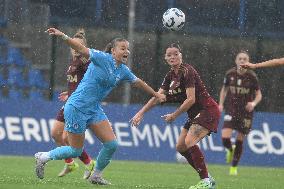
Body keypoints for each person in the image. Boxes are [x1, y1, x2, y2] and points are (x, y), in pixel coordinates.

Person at [35, 27, 166, 185]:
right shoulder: (101, 58)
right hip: (77, 107)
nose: (127, 51)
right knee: (75, 150)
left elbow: (138, 83)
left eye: (128, 49)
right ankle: (43, 157)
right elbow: (80, 48)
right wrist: (63, 36)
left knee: (111, 144)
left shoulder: (123, 70)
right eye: (123, 48)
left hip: (94, 109)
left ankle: (95, 176)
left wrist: (155, 94)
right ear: (113, 50)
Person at [130, 43, 220, 189]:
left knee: (190, 141)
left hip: (207, 110)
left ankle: (206, 181)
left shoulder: (187, 71)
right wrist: (141, 113)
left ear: (181, 55)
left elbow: (191, 99)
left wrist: (174, 115)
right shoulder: (170, 76)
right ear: (165, 58)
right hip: (194, 114)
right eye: (169, 55)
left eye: (175, 53)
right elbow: (157, 97)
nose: (173, 57)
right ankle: (208, 177)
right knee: (181, 147)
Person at [51, 29, 94, 179]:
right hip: (70, 101)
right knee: (56, 134)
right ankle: (70, 164)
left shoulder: (85, 62)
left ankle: (90, 164)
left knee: (67, 139)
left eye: (78, 45)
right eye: (73, 45)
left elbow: (90, 82)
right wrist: (68, 92)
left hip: (78, 105)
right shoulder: (73, 62)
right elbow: (77, 82)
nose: (75, 48)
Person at [219, 51, 262, 175]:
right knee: (225, 137)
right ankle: (229, 148)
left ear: (248, 61)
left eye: (245, 59)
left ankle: (233, 167)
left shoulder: (252, 76)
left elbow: (259, 95)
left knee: (240, 140)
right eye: (240, 58)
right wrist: (220, 104)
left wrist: (253, 103)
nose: (242, 61)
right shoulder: (230, 74)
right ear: (236, 61)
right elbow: (224, 89)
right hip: (231, 109)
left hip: (246, 113)